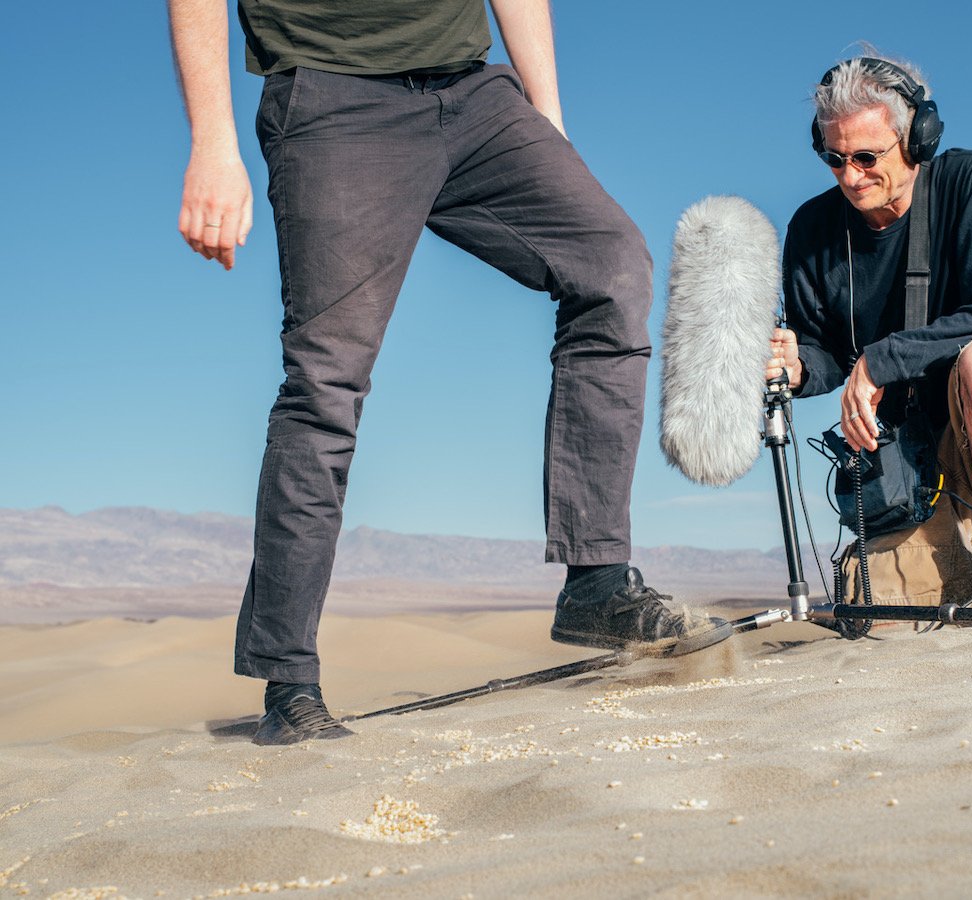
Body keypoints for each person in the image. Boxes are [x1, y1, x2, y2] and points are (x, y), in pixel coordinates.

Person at [168, 0, 730, 746]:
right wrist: (213, 141)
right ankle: (289, 683)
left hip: (473, 92)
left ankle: (595, 581)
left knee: (612, 267)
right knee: (325, 385)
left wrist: (547, 113)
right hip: (332, 101)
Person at [766, 52, 972, 611]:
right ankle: (949, 560)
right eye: (833, 158)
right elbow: (829, 353)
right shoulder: (811, 230)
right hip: (907, 464)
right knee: (882, 622)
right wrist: (798, 366)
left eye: (866, 156)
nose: (849, 176)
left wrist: (882, 360)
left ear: (918, 139)